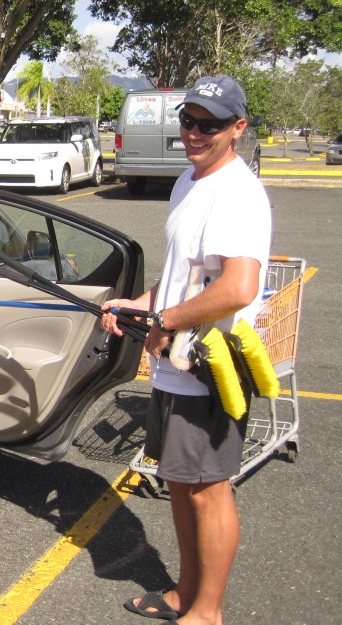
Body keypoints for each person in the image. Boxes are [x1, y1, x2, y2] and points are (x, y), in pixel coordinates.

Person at [101, 75, 272, 625]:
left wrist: (167, 322)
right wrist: (139, 305)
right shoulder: (188, 181)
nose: (195, 133)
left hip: (209, 366)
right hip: (175, 361)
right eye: (189, 121)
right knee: (179, 483)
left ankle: (209, 613)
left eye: (210, 124)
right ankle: (186, 592)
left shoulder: (238, 193)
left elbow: (238, 287)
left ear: (237, 129)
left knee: (208, 491)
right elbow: (182, 279)